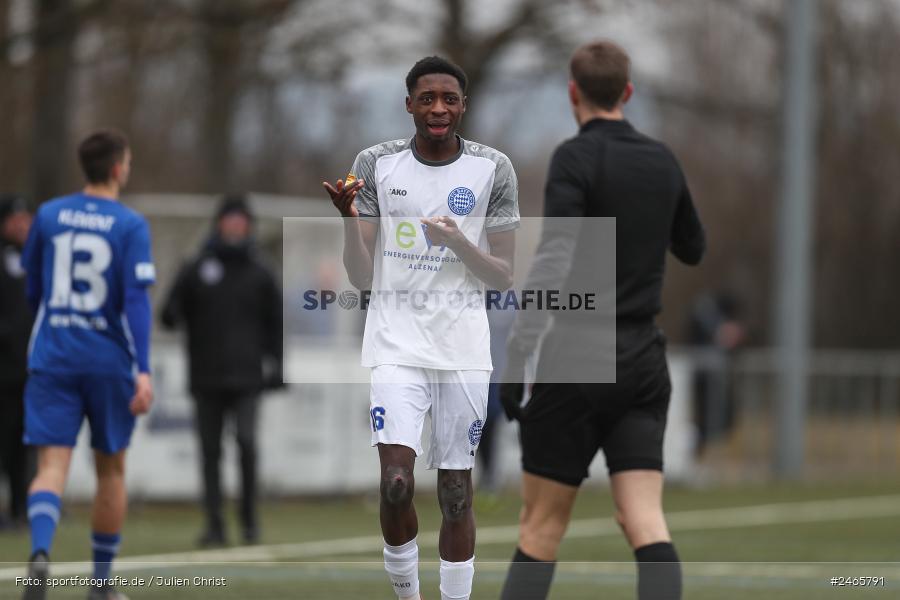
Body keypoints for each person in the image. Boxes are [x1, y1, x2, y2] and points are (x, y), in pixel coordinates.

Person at [499, 41, 705, 600]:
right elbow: (694, 247)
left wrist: (519, 353)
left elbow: (556, 254)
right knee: (644, 522)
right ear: (628, 93)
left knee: (540, 530)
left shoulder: (575, 157)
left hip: (577, 353)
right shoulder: (662, 159)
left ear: (573, 92)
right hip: (642, 358)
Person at [324, 56, 519, 600]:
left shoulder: (493, 169)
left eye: (449, 99)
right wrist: (349, 219)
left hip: (463, 349)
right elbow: (361, 277)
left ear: (463, 106)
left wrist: (457, 242)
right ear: (408, 104)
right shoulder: (376, 165)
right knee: (395, 485)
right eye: (427, 98)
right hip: (395, 343)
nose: (438, 109)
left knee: (456, 493)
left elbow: (503, 276)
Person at [20, 130, 156, 600]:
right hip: (107, 360)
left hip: (53, 355)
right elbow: (137, 302)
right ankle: (100, 585)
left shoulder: (49, 214)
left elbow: (33, 287)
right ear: (118, 168)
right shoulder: (130, 224)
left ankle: (40, 552)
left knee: (51, 465)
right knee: (110, 471)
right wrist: (143, 369)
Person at [160, 194, 282, 547]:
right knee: (209, 452)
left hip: (247, 377)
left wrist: (276, 366)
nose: (235, 225)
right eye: (229, 219)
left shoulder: (261, 271)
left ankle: (248, 521)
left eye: (241, 220)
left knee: (246, 443)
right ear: (219, 224)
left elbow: (276, 324)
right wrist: (172, 310)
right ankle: (214, 525)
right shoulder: (197, 267)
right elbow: (169, 312)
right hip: (206, 376)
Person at [0, 194, 34, 531]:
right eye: (16, 217)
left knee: (25, 443)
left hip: (29, 371)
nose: (22, 224)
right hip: (3, 368)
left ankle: (23, 506)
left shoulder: (36, 257)